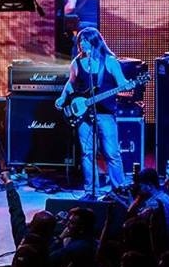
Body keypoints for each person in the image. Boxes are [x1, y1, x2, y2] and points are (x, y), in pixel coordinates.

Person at [55, 27, 128, 194]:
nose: (82, 43)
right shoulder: (77, 62)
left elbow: (122, 83)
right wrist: (62, 98)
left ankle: (119, 189)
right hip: (83, 115)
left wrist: (127, 85)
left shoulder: (109, 61)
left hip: (105, 113)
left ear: (95, 42)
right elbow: (71, 83)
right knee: (87, 153)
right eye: (80, 40)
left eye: (85, 40)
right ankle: (91, 190)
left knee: (112, 153)